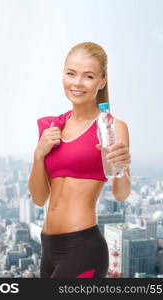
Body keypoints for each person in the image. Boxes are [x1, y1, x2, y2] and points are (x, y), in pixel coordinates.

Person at [28, 42, 131, 278]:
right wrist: (38, 154)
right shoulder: (51, 126)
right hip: (49, 248)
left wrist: (122, 167)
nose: (77, 83)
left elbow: (121, 194)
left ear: (102, 81)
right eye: (71, 74)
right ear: (63, 74)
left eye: (88, 76)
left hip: (83, 247)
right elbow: (39, 197)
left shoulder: (112, 127)